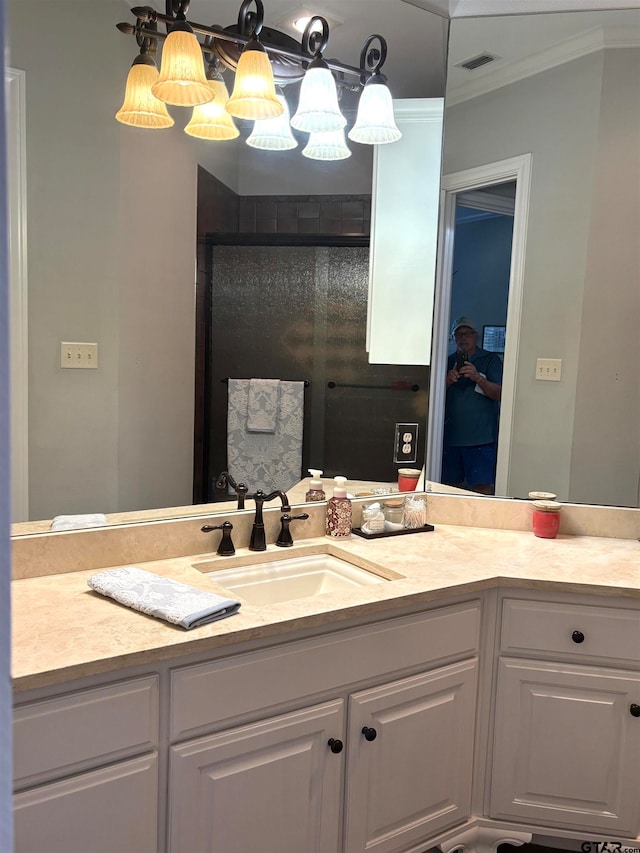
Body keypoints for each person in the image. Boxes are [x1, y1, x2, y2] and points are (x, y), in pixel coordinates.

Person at [443, 317, 503, 495]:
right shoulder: (446, 362)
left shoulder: (490, 360)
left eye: (467, 333)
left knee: (481, 489)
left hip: (481, 438)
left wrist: (477, 377)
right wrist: (446, 381)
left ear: (475, 336)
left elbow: (500, 394)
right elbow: (431, 398)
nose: (463, 338)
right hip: (450, 437)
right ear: (453, 338)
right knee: (448, 488)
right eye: (458, 334)